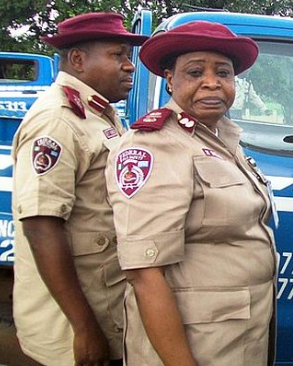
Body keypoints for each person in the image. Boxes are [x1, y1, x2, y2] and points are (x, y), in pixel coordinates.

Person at [105, 21, 277, 366]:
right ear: (169, 79)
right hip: (191, 346)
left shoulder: (219, 137)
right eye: (195, 71)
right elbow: (144, 271)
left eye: (223, 73)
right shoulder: (156, 144)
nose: (212, 82)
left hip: (231, 336)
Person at [11, 12, 147, 366]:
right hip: (72, 326)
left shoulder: (98, 113)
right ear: (78, 60)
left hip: (101, 301)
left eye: (128, 58)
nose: (129, 67)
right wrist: (84, 328)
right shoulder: (58, 120)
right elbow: (41, 226)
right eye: (118, 55)